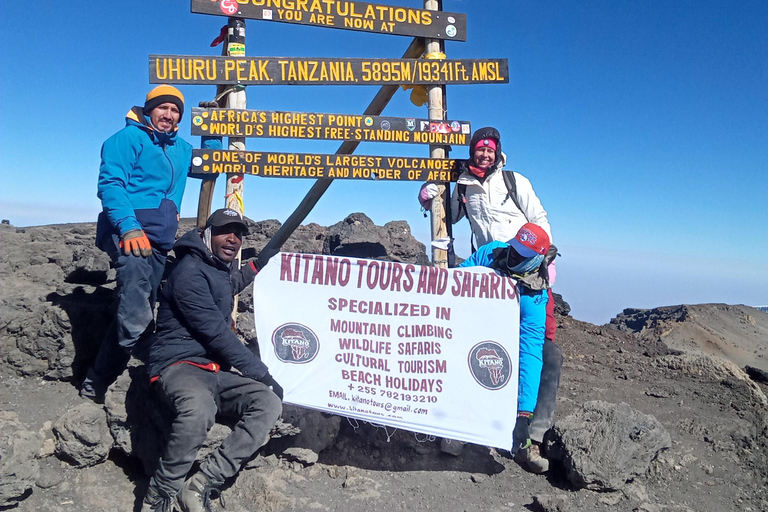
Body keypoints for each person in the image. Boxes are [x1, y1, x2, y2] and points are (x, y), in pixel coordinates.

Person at [419, 127, 562, 472]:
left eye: (490, 149)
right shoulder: (465, 184)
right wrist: (429, 195)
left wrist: (544, 259)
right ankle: (462, 427)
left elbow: (539, 218)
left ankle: (530, 434)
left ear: (498, 152)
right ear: (472, 152)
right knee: (476, 345)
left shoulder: (514, 181)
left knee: (544, 352)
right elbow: (450, 217)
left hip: (529, 273)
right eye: (479, 149)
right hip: (492, 269)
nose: (484, 153)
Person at [141, 208, 283, 512]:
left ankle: (201, 483)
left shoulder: (216, 267)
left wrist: (258, 264)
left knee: (268, 403)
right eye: (224, 231)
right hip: (179, 366)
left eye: (238, 234)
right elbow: (219, 335)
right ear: (207, 233)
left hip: (215, 371)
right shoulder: (188, 273)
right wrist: (262, 374)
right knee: (199, 409)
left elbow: (227, 287)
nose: (232, 239)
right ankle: (160, 494)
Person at [80, 85, 194, 403]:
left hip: (159, 240)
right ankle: (136, 358)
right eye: (163, 108)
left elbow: (211, 165)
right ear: (149, 109)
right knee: (137, 306)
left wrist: (213, 133)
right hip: (126, 231)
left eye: (175, 111)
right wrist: (129, 228)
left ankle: (100, 379)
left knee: (137, 305)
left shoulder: (182, 148)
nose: (168, 115)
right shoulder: (127, 139)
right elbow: (111, 185)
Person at [458, 223, 553, 472]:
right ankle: (456, 424)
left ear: (537, 259)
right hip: (472, 327)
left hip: (509, 340)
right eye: (514, 248)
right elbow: (456, 281)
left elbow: (529, 348)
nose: (514, 255)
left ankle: (529, 437)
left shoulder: (535, 293)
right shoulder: (491, 253)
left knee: (550, 356)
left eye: (523, 254)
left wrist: (524, 414)